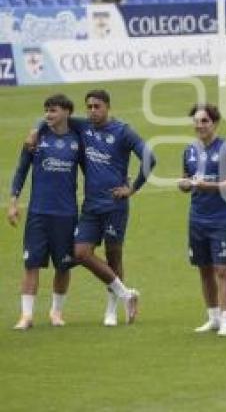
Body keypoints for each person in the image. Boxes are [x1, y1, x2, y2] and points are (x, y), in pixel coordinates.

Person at [27, 89, 149, 325]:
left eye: (97, 106)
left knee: (114, 256)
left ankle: (112, 310)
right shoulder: (83, 127)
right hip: (91, 206)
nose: (93, 111)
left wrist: (132, 188)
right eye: (89, 107)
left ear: (107, 107)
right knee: (80, 253)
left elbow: (149, 157)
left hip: (115, 205)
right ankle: (127, 294)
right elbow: (51, 116)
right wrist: (35, 130)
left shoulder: (122, 131)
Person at [8, 94, 83, 329]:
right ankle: (26, 316)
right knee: (31, 264)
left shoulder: (77, 140)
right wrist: (13, 202)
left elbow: (92, 171)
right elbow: (21, 170)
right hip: (38, 213)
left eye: (54, 110)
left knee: (63, 266)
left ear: (67, 113)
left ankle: (56, 312)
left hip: (66, 213)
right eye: (46, 111)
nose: (48, 115)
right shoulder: (36, 139)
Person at [178, 104, 226, 337]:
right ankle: (213, 317)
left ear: (214, 123)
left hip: (221, 218)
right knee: (204, 269)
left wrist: (212, 187)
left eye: (204, 121)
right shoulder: (190, 150)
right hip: (197, 218)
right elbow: (187, 178)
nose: (199, 125)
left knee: (223, 269)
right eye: (196, 121)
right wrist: (184, 184)